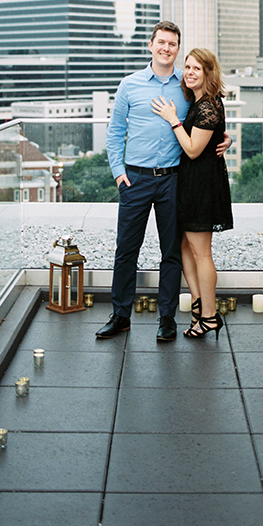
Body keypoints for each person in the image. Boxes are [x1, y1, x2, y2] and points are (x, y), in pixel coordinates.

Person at [96, 23, 230, 342]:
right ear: (151, 45)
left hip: (174, 181)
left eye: (172, 44)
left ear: (177, 49)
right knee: (126, 250)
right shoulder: (129, 85)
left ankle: (166, 317)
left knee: (171, 252)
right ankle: (120, 315)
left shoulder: (184, 88)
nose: (166, 48)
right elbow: (114, 133)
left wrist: (225, 140)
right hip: (135, 179)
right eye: (161, 42)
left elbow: (205, 119)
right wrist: (118, 172)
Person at [151, 48, 233, 339]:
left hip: (202, 187)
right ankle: (199, 306)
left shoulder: (208, 105)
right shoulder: (197, 103)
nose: (189, 72)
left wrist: (172, 119)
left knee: (201, 252)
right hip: (190, 184)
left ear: (209, 73)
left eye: (197, 68)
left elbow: (193, 149)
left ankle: (209, 316)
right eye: (187, 67)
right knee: (186, 247)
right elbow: (210, 137)